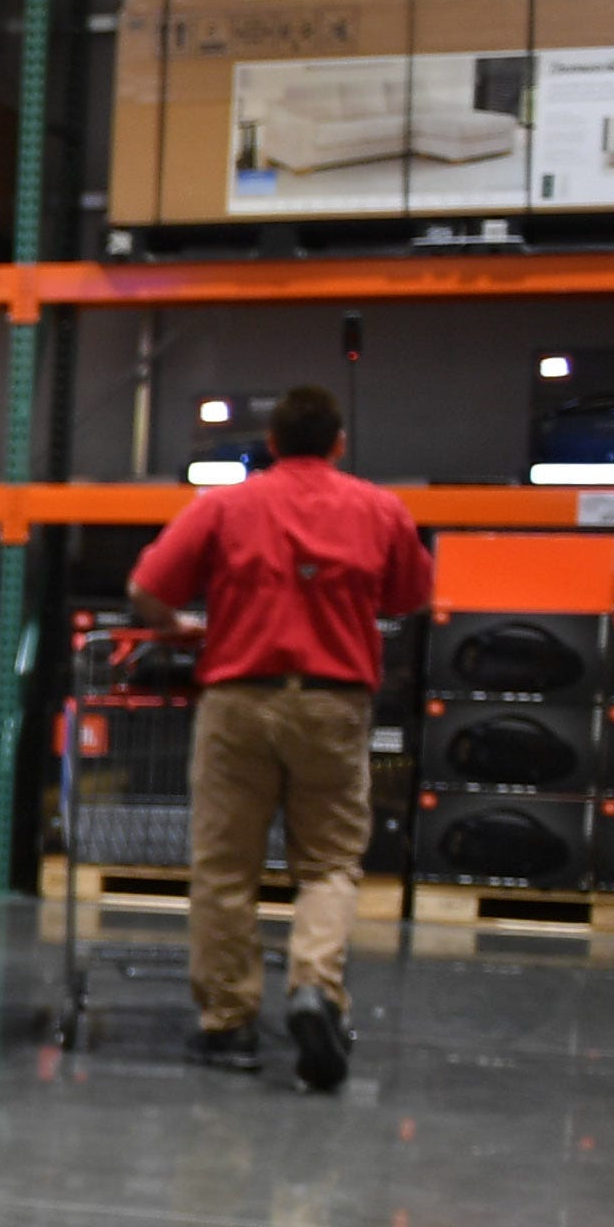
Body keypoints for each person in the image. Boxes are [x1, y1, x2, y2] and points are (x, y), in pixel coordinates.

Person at [126, 384, 428, 1092]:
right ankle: (315, 989)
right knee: (328, 864)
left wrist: (178, 628)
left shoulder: (228, 504)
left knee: (226, 869)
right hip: (334, 705)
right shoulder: (379, 508)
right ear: (338, 442)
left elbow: (147, 585)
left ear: (270, 443)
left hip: (238, 702)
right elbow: (410, 594)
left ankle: (228, 1024)